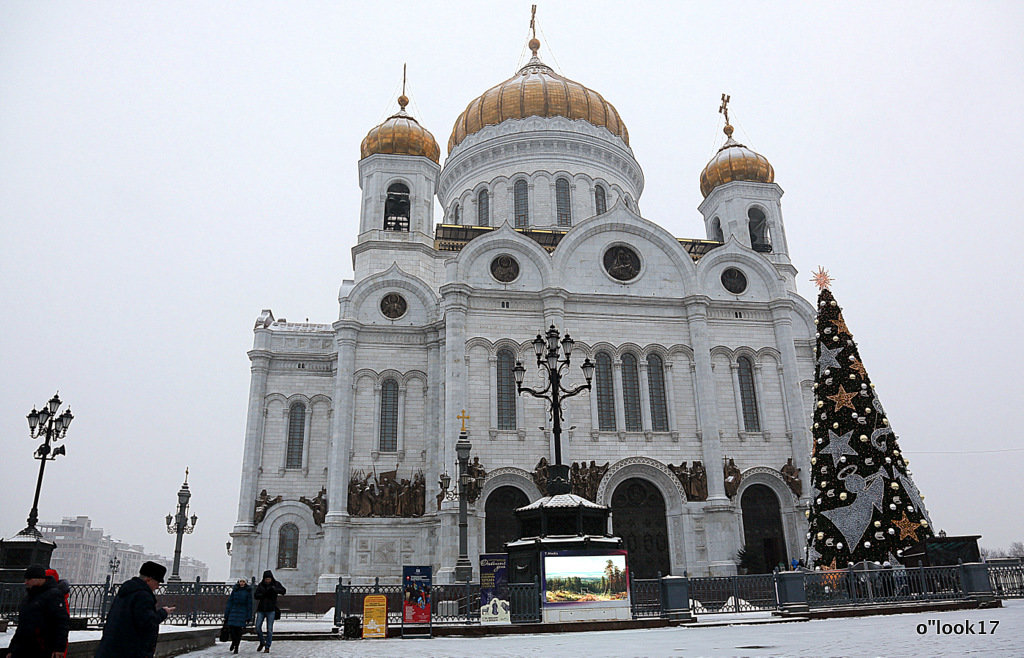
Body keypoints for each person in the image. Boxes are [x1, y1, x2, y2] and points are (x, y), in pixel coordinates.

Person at [94, 561, 175, 658]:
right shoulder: (143, 596)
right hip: (131, 651)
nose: (158, 587)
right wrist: (163, 612)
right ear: (148, 580)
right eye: (157, 582)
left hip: (111, 649)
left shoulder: (127, 591)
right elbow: (148, 623)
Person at [8, 564, 69, 658]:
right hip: (24, 647)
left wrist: (59, 648)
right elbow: (22, 626)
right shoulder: (29, 596)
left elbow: (61, 623)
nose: (26, 582)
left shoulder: (53, 595)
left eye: (29, 579)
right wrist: (12, 649)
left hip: (42, 647)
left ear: (40, 579)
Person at [253, 570, 285, 653]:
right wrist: (263, 594)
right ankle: (262, 641)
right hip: (261, 609)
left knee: (269, 629)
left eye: (269, 579)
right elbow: (256, 595)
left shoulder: (275, 584)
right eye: (266, 579)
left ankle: (267, 646)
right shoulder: (261, 585)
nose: (267, 580)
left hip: (271, 609)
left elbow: (283, 591)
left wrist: (275, 590)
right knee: (257, 627)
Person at [223, 579, 253, 654]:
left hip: (242, 612)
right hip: (233, 611)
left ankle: (236, 646)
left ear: (245, 583)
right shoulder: (235, 590)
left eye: (243, 582)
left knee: (238, 631)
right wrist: (227, 613)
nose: (242, 583)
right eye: (240, 581)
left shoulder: (248, 591)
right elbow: (230, 601)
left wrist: (249, 616)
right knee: (232, 630)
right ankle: (233, 642)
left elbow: (249, 604)